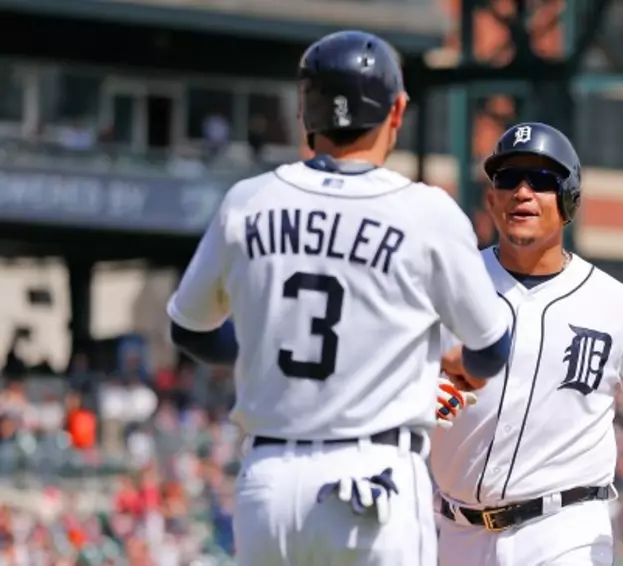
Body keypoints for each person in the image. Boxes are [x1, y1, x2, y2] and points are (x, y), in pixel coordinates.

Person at [165, 30, 512, 566]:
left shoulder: (249, 200)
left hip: (269, 486)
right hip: (373, 479)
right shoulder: (425, 213)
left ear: (306, 109)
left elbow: (189, 328)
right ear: (397, 111)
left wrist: (260, 347)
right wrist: (453, 362)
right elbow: (492, 349)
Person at [430, 122, 623, 566]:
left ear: (568, 201)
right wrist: (417, 391)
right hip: (453, 532)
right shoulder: (448, 284)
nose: (522, 192)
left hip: (563, 529)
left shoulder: (616, 303)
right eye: (508, 179)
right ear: (491, 197)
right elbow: (384, 371)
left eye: (541, 180)